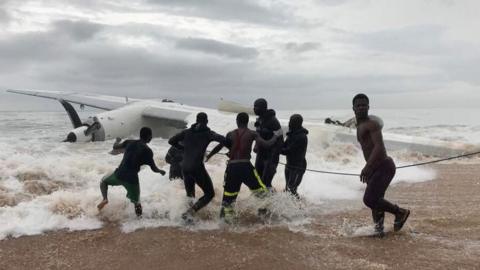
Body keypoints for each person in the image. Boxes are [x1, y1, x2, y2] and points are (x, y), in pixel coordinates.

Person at [206, 112, 282, 224]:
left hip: (232, 167)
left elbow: (220, 146)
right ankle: (267, 216)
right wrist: (276, 135)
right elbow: (267, 144)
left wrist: (209, 156)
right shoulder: (253, 133)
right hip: (246, 167)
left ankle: (224, 223)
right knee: (262, 193)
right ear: (247, 122)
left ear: (237, 121)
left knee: (228, 197)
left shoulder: (230, 134)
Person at [353, 93, 410, 236]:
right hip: (375, 168)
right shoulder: (359, 126)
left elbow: (379, 147)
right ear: (353, 108)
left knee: (369, 199)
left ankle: (400, 212)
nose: (361, 108)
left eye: (364, 105)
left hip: (384, 166)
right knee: (376, 201)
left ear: (368, 107)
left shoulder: (372, 124)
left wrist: (368, 167)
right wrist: (370, 168)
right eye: (358, 105)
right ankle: (379, 230)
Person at [168, 112, 225, 223]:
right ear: (207, 121)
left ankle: (188, 219)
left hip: (184, 167)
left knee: (190, 195)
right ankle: (190, 212)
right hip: (196, 167)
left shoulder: (186, 132)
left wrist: (183, 148)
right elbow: (225, 140)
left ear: (196, 120)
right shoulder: (208, 134)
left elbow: (171, 141)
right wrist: (211, 154)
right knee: (209, 194)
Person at [97, 127, 166, 217]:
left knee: (103, 181)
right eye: (151, 136)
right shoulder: (148, 151)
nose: (151, 137)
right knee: (137, 203)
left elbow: (115, 147)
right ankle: (139, 220)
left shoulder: (129, 142)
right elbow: (154, 168)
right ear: (149, 136)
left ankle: (105, 199)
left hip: (119, 174)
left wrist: (117, 140)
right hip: (131, 180)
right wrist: (160, 171)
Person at [253, 98, 284, 191]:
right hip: (261, 154)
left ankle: (269, 202)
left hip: (271, 156)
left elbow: (280, 140)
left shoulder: (273, 121)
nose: (254, 109)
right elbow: (257, 134)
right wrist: (256, 145)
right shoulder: (260, 119)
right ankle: (259, 200)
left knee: (266, 182)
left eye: (256, 107)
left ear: (263, 108)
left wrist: (272, 159)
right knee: (257, 179)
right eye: (254, 106)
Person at [281, 114, 308, 199]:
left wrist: (276, 149)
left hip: (298, 167)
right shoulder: (291, 134)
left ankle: (298, 209)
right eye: (289, 121)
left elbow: (288, 151)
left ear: (297, 123)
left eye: (291, 122)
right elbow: (284, 146)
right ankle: (288, 207)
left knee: (291, 189)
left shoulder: (301, 137)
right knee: (287, 189)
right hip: (289, 165)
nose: (289, 123)